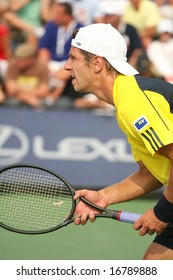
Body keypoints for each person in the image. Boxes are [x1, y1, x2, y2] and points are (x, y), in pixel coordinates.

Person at [64, 23, 173, 260]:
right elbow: (152, 173)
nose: (66, 66)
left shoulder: (134, 101)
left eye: (73, 58)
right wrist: (103, 197)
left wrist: (161, 213)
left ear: (97, 63)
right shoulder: (126, 102)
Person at [38, 1, 84, 106]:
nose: (55, 16)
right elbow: (43, 48)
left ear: (67, 16)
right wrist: (46, 67)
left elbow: (79, 53)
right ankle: (42, 97)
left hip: (68, 62)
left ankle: (52, 98)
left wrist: (66, 68)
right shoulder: (51, 26)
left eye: (58, 14)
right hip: (51, 62)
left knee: (65, 72)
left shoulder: (80, 29)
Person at [5, 42, 49, 108]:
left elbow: (43, 92)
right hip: (19, 99)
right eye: (17, 59)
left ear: (31, 59)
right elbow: (11, 90)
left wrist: (19, 90)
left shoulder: (42, 66)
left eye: (21, 60)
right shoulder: (12, 64)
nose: (17, 62)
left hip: (37, 99)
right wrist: (28, 98)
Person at [146, 18, 173, 84]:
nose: (165, 35)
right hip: (160, 79)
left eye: (167, 33)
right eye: (163, 33)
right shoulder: (153, 46)